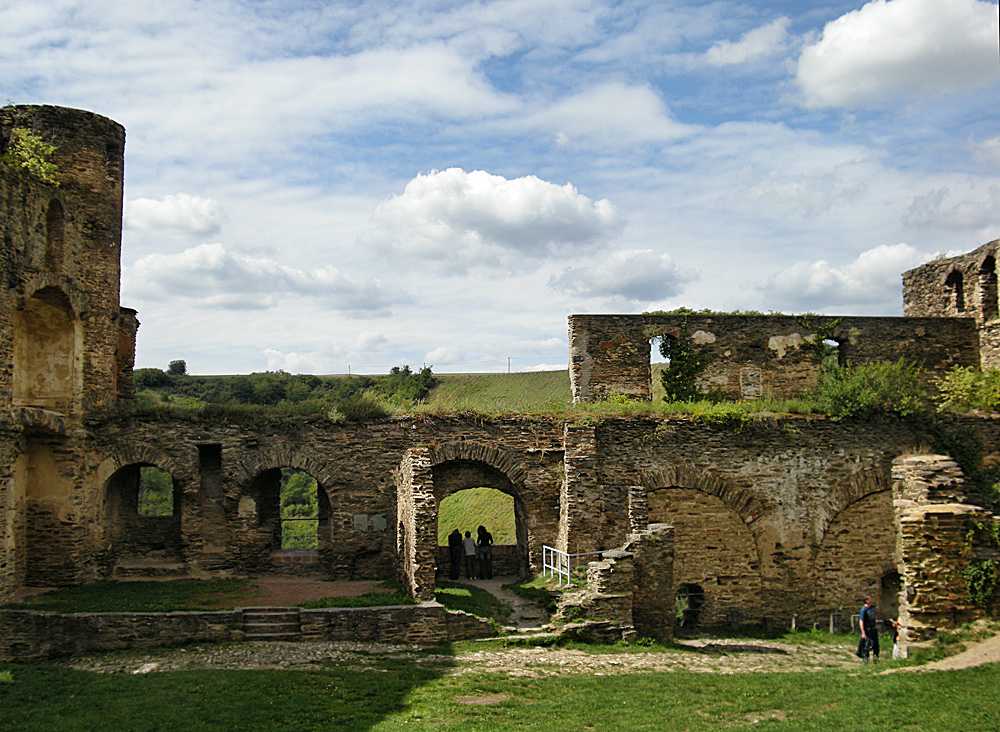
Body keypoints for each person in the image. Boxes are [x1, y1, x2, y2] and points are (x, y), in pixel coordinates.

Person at [856, 595, 880, 662]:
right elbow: (861, 621)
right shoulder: (864, 610)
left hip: (873, 628)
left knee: (876, 644)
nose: (871, 599)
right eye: (869, 599)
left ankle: (876, 657)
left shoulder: (872, 607)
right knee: (867, 644)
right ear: (866, 601)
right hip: (867, 629)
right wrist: (863, 632)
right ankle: (865, 657)